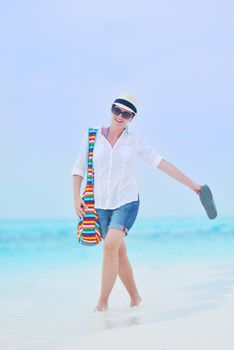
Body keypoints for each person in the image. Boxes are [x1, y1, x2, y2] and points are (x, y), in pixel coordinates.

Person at [71, 92, 202, 312]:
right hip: (101, 204)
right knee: (119, 253)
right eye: (117, 110)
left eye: (126, 114)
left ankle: (102, 303)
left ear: (132, 117)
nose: (120, 116)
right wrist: (76, 198)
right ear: (111, 109)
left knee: (110, 246)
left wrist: (193, 186)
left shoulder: (134, 142)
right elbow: (78, 168)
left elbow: (161, 163)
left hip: (127, 201)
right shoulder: (92, 136)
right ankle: (135, 298)